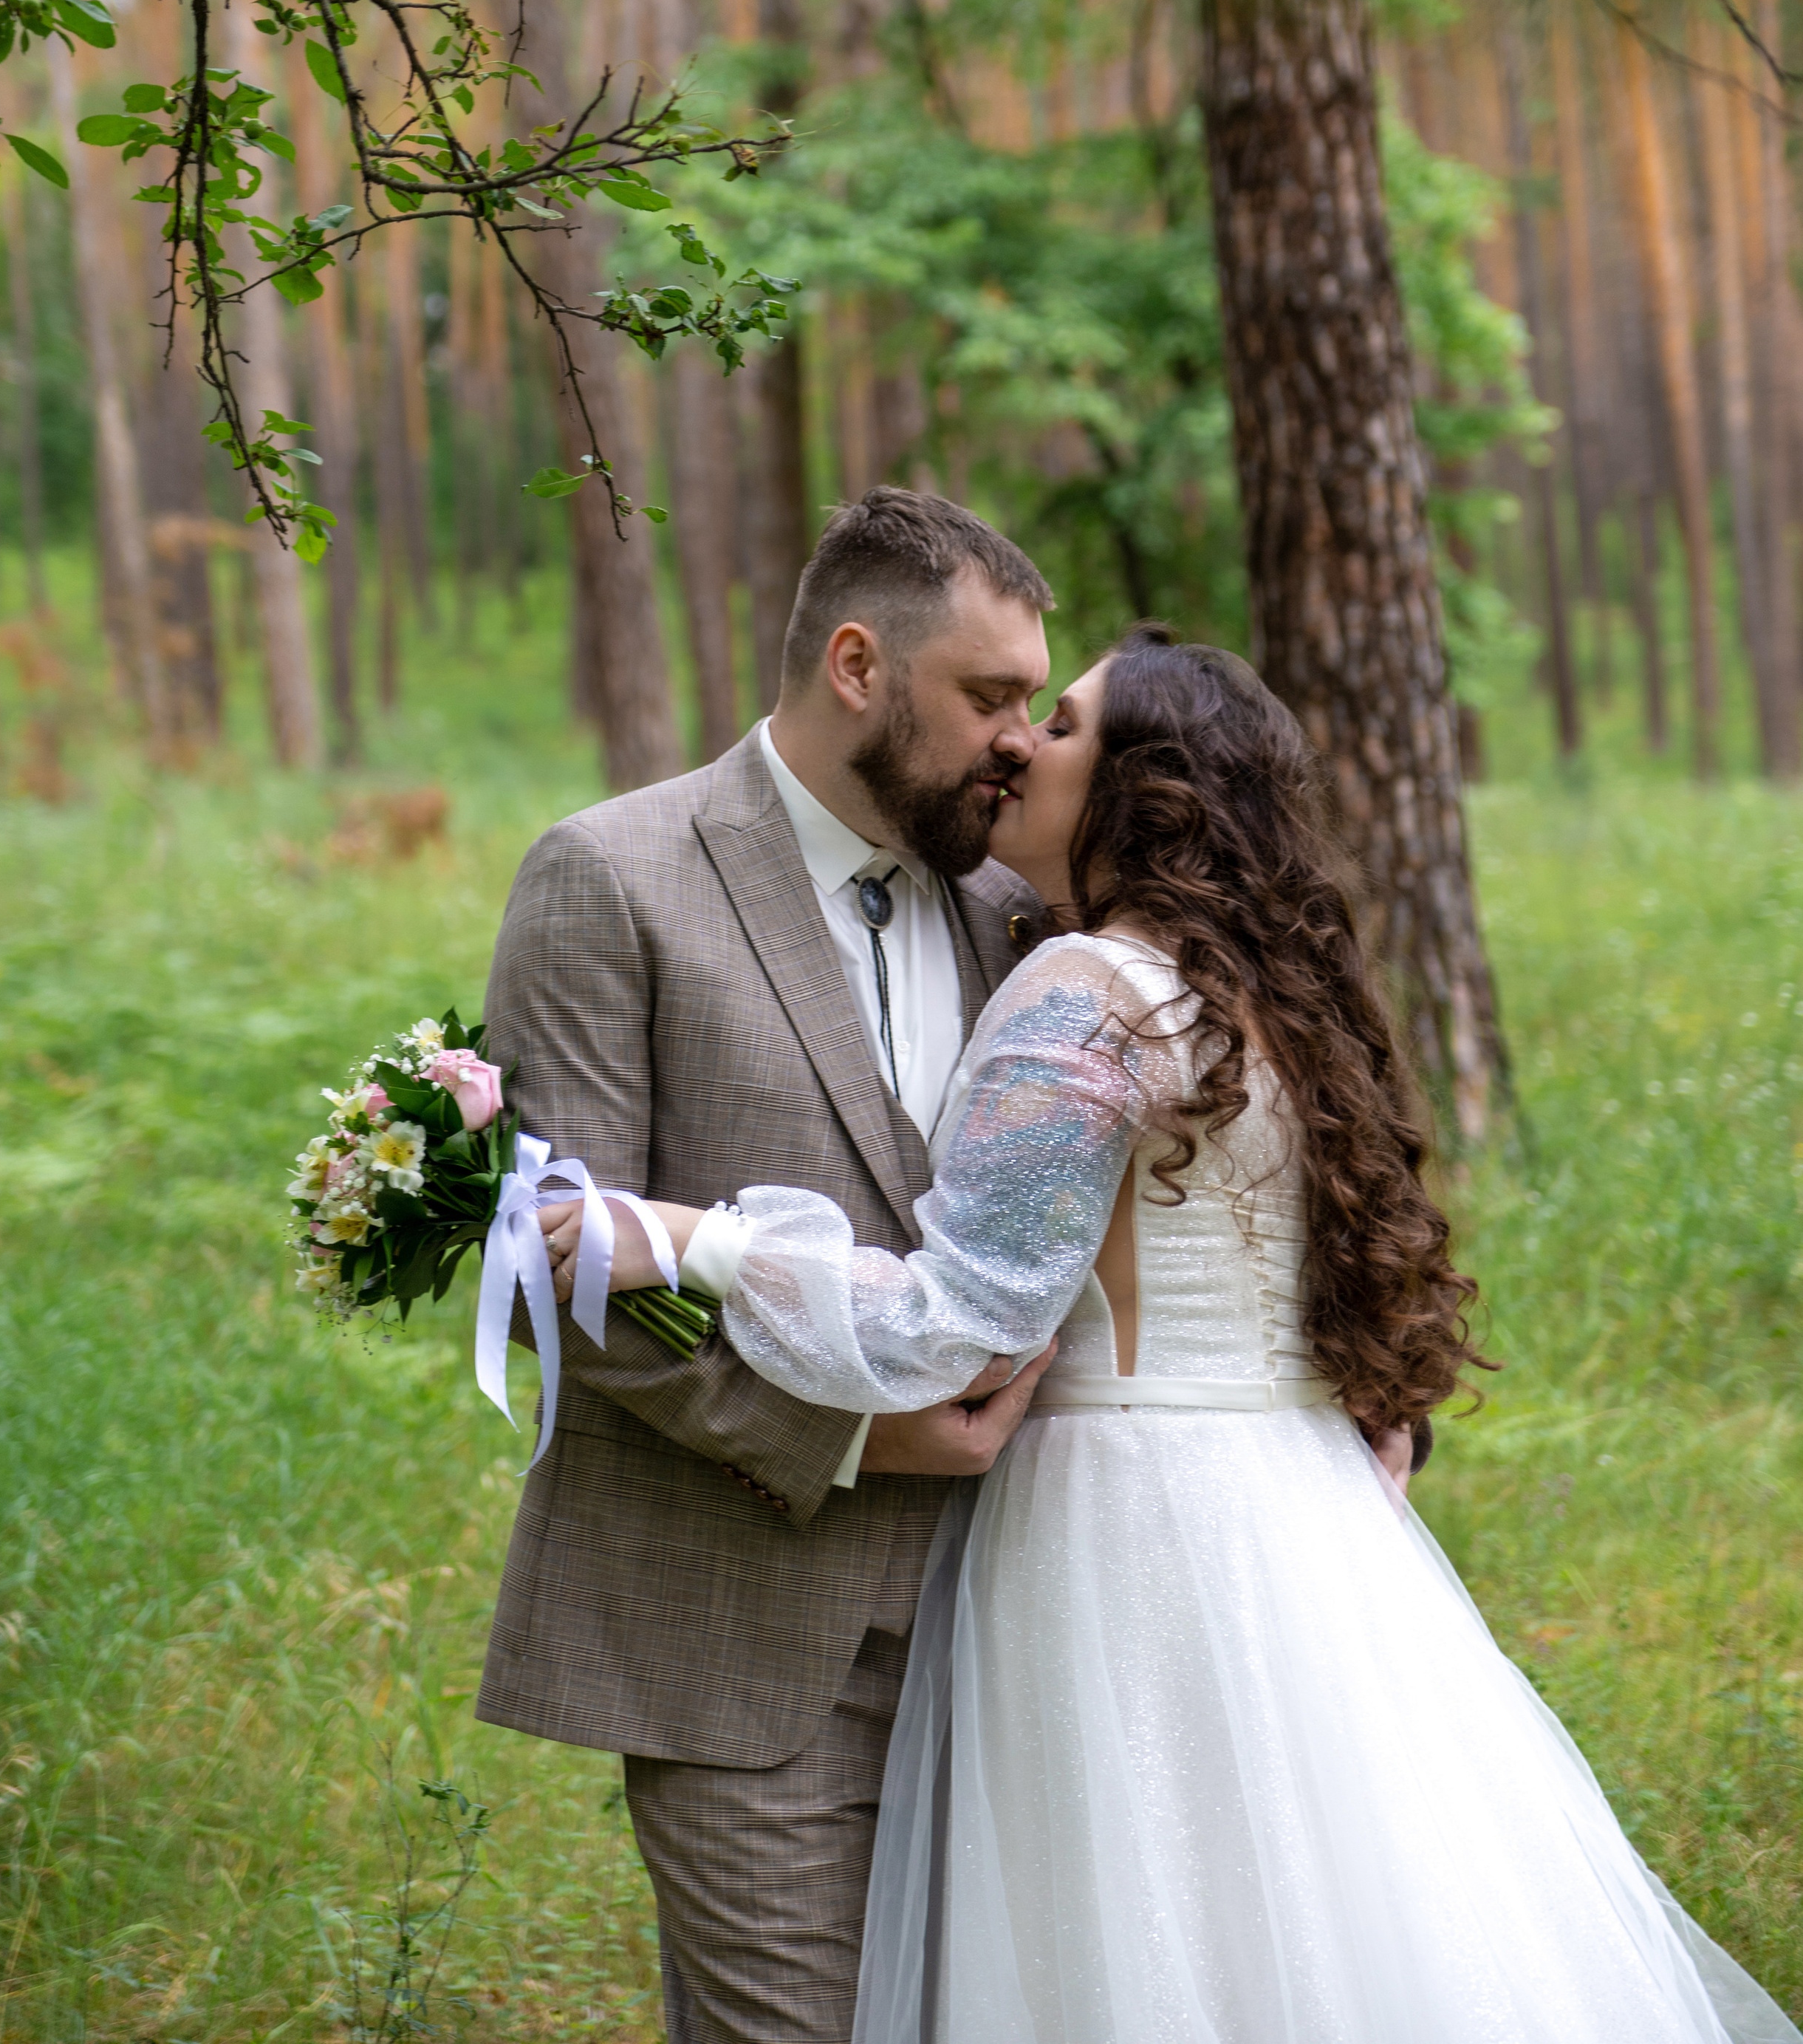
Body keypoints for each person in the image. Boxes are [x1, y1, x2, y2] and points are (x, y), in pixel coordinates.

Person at [555, 629, 1802, 2044]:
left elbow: (960, 1322)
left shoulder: (1086, 992)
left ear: (1144, 792)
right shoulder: (1275, 998)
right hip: (1302, 1524)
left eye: (1062, 725)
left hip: (1122, 1536)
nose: (1018, 745)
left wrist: (699, 1242)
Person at [475, 488, 1065, 2044]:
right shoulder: (612, 877)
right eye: (989, 696)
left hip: (1008, 1634)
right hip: (735, 1629)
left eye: (1032, 702)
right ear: (859, 666)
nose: (1019, 741)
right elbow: (560, 1273)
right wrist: (851, 1439)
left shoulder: (1020, 906)